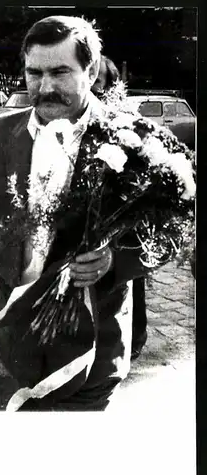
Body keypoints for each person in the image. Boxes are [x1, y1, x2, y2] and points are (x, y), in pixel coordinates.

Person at [0, 16, 150, 411]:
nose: (45, 87)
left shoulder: (129, 136)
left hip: (94, 348)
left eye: (60, 72)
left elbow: (167, 232)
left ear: (89, 72)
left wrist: (114, 259)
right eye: (34, 72)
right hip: (18, 341)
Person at [91, 55, 148, 361]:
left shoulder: (127, 124)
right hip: (91, 224)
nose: (91, 89)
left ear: (111, 88)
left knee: (130, 283)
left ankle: (135, 337)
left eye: (98, 84)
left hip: (124, 226)